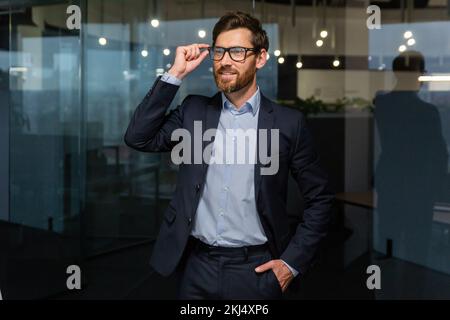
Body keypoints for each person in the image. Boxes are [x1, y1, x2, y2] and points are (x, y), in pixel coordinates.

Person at [124, 11, 334, 299]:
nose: (225, 61)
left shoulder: (288, 123)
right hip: (195, 267)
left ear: (260, 58)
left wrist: (291, 263)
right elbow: (139, 137)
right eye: (220, 51)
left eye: (237, 52)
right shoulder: (194, 110)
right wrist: (175, 74)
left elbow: (320, 199)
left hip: (257, 271)